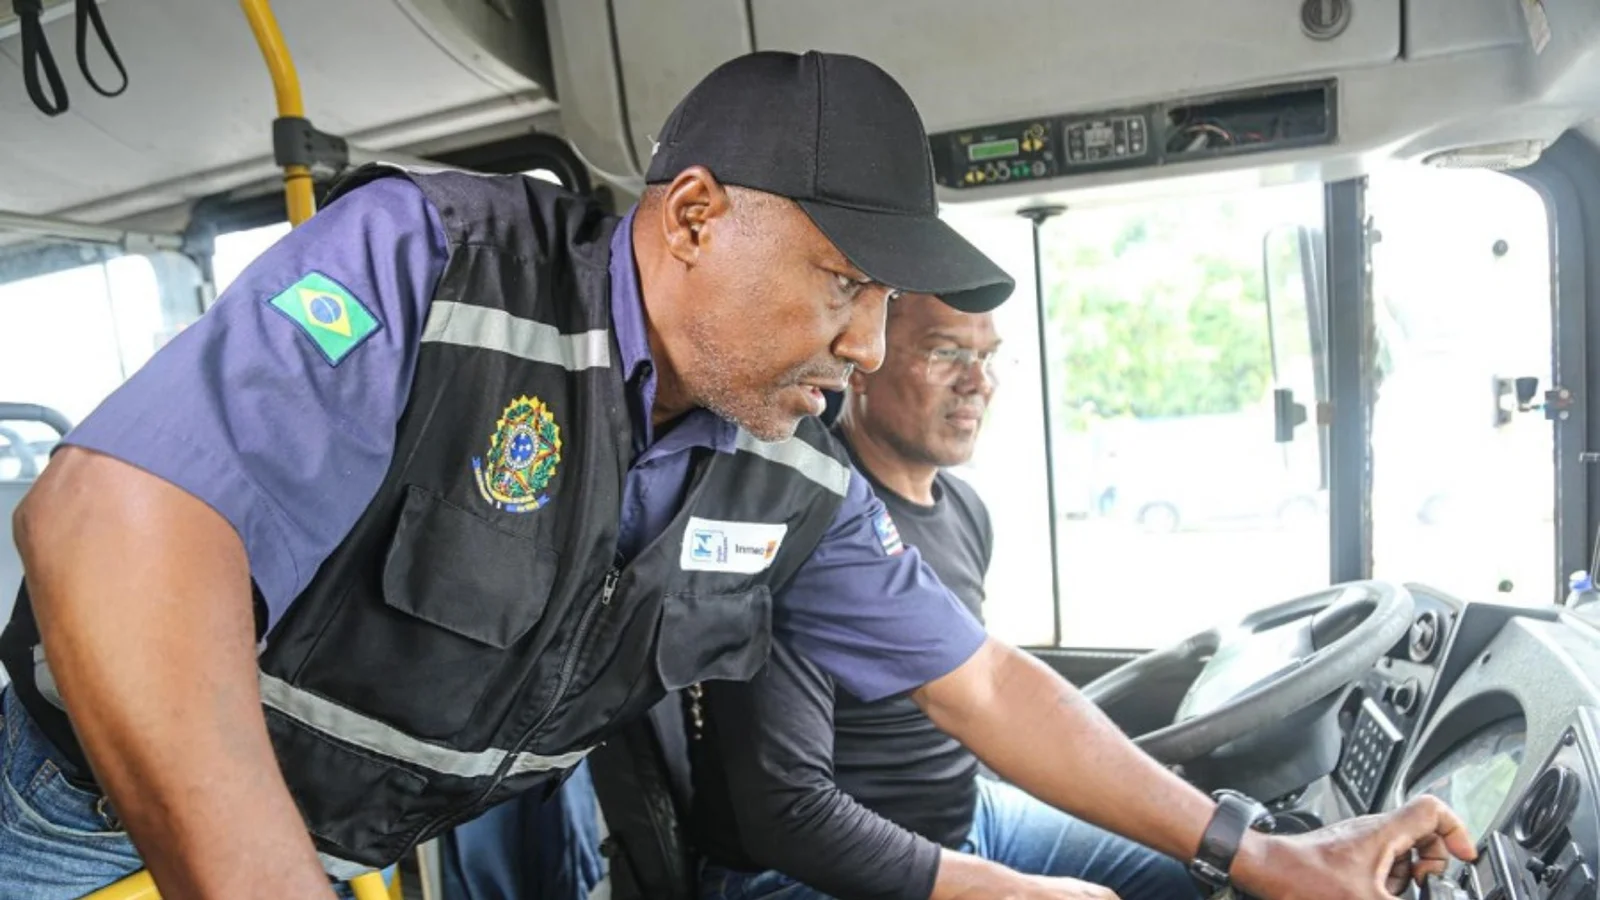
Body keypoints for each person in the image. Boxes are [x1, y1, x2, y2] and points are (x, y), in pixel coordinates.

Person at [0, 49, 1470, 900]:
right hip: (59, 798)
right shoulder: (442, 268)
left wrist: (1258, 851)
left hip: (346, 833)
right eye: (846, 284)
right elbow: (115, 518)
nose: (869, 344)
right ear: (695, 215)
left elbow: (986, 687)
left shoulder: (787, 475)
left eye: (890, 304)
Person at [692, 292, 1196, 900]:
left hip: (968, 820)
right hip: (806, 871)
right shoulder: (805, 514)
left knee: (1195, 873)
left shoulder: (965, 510)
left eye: (988, 356)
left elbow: (982, 693)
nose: (977, 381)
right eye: (944, 352)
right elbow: (789, 814)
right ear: (862, 369)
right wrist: (1000, 889)